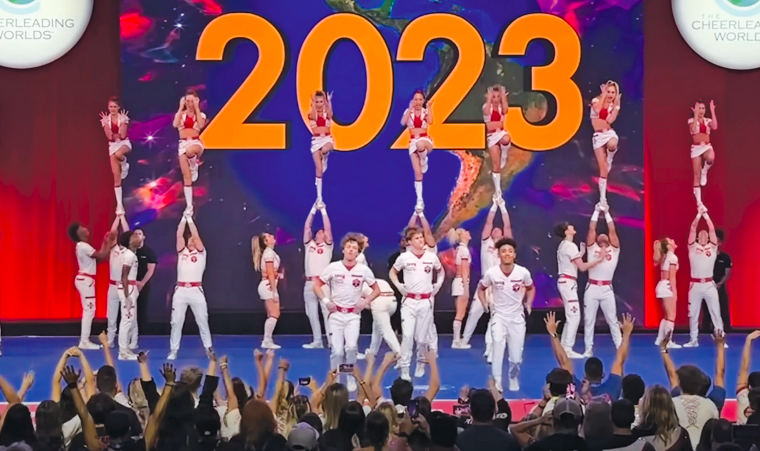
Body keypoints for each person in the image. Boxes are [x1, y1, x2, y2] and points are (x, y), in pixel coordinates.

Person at [313, 233, 380, 391]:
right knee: (336, 350)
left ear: (358, 252)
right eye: (348, 247)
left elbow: (376, 289)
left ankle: (350, 376)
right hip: (336, 315)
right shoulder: (333, 267)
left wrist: (365, 301)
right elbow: (316, 285)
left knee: (351, 348)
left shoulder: (363, 270)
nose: (351, 250)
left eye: (355, 248)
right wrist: (326, 301)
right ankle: (335, 378)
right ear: (343, 250)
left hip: (353, 315)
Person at [476, 237, 535, 392]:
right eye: (503, 251)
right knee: (497, 348)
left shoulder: (523, 272)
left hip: (517, 318)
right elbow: (481, 288)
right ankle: (497, 381)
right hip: (499, 317)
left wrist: (528, 303)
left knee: (516, 358)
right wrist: (484, 303)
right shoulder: (492, 273)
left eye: (510, 251)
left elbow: (531, 288)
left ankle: (513, 377)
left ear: (514, 254)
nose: (507, 254)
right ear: (499, 255)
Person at [390, 227, 444, 381]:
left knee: (421, 338)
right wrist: (399, 285)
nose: (421, 241)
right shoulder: (404, 258)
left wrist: (438, 285)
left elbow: (441, 271)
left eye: (422, 238)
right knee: (407, 336)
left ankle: (421, 362)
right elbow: (392, 272)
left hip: (426, 301)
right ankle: (405, 368)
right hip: (409, 302)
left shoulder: (431, 257)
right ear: (409, 242)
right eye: (417, 239)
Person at [461, 197, 512, 358]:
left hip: (499, 286)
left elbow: (508, 226)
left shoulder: (505, 248)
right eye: (494, 230)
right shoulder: (486, 243)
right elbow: (488, 223)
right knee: (474, 312)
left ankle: (490, 348)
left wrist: (503, 208)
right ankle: (464, 340)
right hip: (484, 283)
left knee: (495, 317)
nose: (496, 230)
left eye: (499, 230)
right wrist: (494, 206)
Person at [547, 311, 634, 400]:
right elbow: (620, 359)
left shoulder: (574, 388)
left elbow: (563, 361)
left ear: (585, 375)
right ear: (602, 375)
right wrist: (626, 334)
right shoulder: (613, 387)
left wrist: (553, 333)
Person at [554, 218, 605, 359]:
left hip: (566, 282)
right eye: (569, 225)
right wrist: (598, 260)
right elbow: (582, 267)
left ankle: (565, 345)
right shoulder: (570, 246)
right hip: (568, 283)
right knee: (574, 316)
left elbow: (573, 262)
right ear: (566, 231)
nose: (572, 226)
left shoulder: (565, 245)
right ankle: (568, 347)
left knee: (571, 315)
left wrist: (581, 253)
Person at [168, 214, 213, 360]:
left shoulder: (201, 253)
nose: (192, 240)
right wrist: (183, 218)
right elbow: (178, 234)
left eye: (194, 238)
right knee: (176, 321)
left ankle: (208, 348)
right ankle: (173, 350)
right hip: (181, 290)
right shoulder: (182, 252)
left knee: (202, 320)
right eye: (190, 238)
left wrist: (191, 220)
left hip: (196, 291)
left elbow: (196, 235)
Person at [67, 223, 115, 350]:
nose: (85, 228)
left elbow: (98, 259)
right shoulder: (83, 246)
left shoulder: (83, 246)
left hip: (86, 280)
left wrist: (106, 242)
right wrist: (109, 242)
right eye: (82, 228)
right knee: (89, 310)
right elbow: (101, 255)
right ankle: (84, 340)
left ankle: (85, 339)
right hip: (85, 280)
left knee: (89, 310)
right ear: (78, 233)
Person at [583, 203, 621, 356]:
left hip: (607, 289)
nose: (603, 235)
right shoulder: (592, 248)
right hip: (591, 288)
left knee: (612, 319)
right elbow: (592, 229)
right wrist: (596, 211)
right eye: (601, 235)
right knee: (589, 320)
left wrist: (607, 213)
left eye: (606, 236)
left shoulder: (615, 249)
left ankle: (619, 346)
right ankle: (588, 349)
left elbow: (612, 230)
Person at [685, 209, 724, 347]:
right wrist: (698, 215)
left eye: (705, 234)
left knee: (715, 312)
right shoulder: (692, 247)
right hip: (695, 285)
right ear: (697, 237)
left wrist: (706, 215)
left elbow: (712, 230)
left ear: (708, 237)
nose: (702, 235)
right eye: (700, 234)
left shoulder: (712, 248)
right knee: (693, 314)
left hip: (709, 284)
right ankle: (693, 339)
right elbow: (693, 228)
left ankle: (720, 338)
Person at [302, 202, 334, 349]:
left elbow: (328, 228)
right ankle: (317, 341)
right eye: (320, 231)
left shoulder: (327, 247)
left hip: (322, 283)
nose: (323, 232)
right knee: (311, 313)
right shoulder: (310, 245)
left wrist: (324, 211)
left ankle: (332, 341)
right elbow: (307, 227)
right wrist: (313, 209)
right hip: (309, 283)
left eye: (324, 232)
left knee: (327, 311)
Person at [173, 89, 207, 216]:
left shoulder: (200, 115)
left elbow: (202, 124)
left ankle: (193, 164)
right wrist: (180, 107)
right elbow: (175, 124)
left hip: (195, 143)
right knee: (187, 179)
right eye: (187, 101)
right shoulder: (181, 115)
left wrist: (197, 108)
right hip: (182, 144)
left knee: (190, 151)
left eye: (191, 101)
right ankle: (189, 206)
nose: (189, 103)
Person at [401, 90, 434, 212]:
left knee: (421, 145)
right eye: (416, 99)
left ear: (423, 101)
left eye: (420, 99)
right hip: (412, 142)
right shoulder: (408, 112)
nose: (418, 102)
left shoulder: (425, 112)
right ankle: (420, 200)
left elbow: (431, 121)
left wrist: (429, 107)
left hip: (425, 140)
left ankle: (424, 159)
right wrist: (409, 109)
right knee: (418, 173)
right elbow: (403, 122)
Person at [591, 80, 622, 208]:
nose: (610, 94)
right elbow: (597, 110)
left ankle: (610, 156)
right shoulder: (596, 100)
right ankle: (603, 199)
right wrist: (603, 95)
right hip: (598, 136)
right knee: (603, 169)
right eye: (608, 91)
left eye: (612, 92)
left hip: (608, 133)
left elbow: (610, 120)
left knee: (613, 144)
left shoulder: (613, 106)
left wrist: (617, 105)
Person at [99, 97, 131, 216]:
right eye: (110, 107)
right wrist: (107, 125)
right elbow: (110, 137)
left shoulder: (124, 118)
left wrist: (121, 124)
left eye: (115, 107)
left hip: (124, 144)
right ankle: (119, 205)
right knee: (116, 178)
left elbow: (122, 135)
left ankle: (124, 164)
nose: (112, 109)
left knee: (119, 154)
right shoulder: (105, 120)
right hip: (112, 146)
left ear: (118, 108)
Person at [253, 232, 282, 349]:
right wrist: (274, 291)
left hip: (268, 284)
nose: (272, 237)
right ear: (265, 241)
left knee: (272, 314)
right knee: (274, 314)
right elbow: (269, 272)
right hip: (268, 286)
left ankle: (268, 339)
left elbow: (271, 271)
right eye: (269, 236)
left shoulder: (270, 253)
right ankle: (266, 340)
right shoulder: (268, 253)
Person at [483, 85, 512, 200]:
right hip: (491, 137)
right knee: (496, 165)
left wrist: (504, 97)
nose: (495, 99)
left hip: (500, 133)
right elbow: (487, 115)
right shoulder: (486, 106)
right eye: (493, 97)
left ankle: (504, 153)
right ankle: (498, 191)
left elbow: (506, 110)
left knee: (506, 139)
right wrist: (489, 99)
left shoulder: (501, 107)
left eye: (497, 97)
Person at [688, 100, 718, 209]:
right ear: (694, 110)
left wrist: (712, 110)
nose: (701, 111)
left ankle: (704, 170)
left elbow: (714, 127)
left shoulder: (707, 120)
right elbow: (693, 129)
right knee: (696, 176)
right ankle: (699, 203)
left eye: (703, 108)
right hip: (696, 148)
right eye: (699, 108)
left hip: (706, 146)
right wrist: (696, 115)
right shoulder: (692, 120)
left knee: (711, 158)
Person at [118, 230, 142, 360]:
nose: (138, 237)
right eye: (135, 236)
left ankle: (125, 349)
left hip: (131, 288)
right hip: (128, 289)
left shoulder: (131, 254)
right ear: (129, 241)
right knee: (127, 320)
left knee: (130, 320)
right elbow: (124, 276)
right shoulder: (129, 255)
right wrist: (127, 296)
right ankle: (123, 352)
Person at [106, 215, 129, 349]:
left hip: (123, 286)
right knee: (111, 314)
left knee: (126, 314)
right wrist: (117, 216)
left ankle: (125, 341)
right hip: (112, 286)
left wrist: (123, 217)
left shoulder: (129, 251)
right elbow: (112, 232)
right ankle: (110, 339)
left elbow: (127, 232)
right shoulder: (112, 249)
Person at [654, 238, 682, 349]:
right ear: (669, 246)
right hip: (667, 286)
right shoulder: (672, 258)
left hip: (662, 286)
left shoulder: (666, 257)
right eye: (671, 240)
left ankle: (660, 339)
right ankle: (668, 341)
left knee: (666, 316)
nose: (673, 240)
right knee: (671, 316)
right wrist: (674, 292)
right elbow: (672, 276)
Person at [364, 277, 401, 357]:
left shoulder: (357, 285)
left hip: (380, 301)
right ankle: (372, 352)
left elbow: (360, 303)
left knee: (385, 329)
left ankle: (399, 354)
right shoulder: (379, 280)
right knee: (377, 326)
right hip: (393, 301)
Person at [448, 227, 472, 348]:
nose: (469, 233)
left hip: (458, 281)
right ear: (462, 236)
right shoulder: (464, 251)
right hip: (462, 282)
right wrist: (466, 287)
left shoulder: (460, 249)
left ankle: (456, 340)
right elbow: (464, 269)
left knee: (460, 312)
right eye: (466, 232)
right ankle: (456, 341)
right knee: (461, 312)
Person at [309, 91, 334, 206]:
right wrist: (323, 128)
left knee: (326, 149)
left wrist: (329, 102)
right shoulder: (311, 114)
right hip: (316, 142)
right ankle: (319, 198)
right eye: (317, 101)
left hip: (327, 139)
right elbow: (316, 131)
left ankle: (325, 157)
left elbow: (330, 116)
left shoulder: (326, 112)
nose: (319, 104)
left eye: (321, 101)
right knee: (319, 171)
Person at [705, 229, 732, 333]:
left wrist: (719, 284)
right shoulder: (705, 256)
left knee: (723, 307)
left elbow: (727, 273)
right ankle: (706, 330)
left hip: (720, 287)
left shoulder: (725, 257)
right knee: (707, 310)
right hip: (707, 286)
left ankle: (726, 329)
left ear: (720, 242)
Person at [134, 228, 157, 341]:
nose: (138, 235)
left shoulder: (148, 252)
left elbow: (151, 270)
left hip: (144, 285)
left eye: (140, 234)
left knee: (142, 308)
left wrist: (142, 283)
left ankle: (142, 334)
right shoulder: (130, 251)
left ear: (143, 237)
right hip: (130, 284)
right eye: (136, 234)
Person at [736, 331, 760, 424]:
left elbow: (744, 368)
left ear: (749, 386)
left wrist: (748, 340)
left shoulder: (743, 395)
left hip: (741, 437)